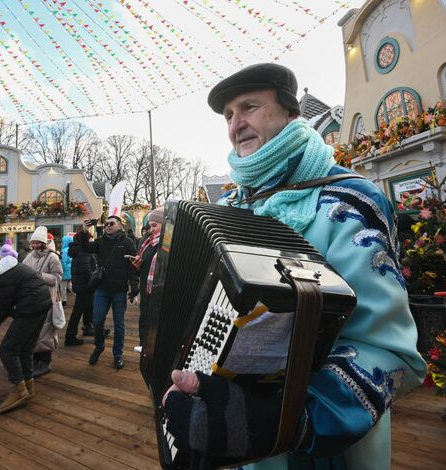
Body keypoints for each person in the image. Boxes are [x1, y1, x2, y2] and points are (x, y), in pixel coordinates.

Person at [162, 63, 426, 468]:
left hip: (313, 449)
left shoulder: (349, 202)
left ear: (291, 113)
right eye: (229, 115)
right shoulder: (227, 209)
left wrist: (289, 422)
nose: (236, 124)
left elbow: (387, 348)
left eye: (249, 107)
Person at [0, 241, 51, 414]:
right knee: (25, 348)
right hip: (41, 304)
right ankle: (28, 385)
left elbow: (1, 309)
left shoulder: (4, 277)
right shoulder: (14, 268)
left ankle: (18, 390)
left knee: (8, 349)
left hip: (30, 307)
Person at [78, 216, 138, 370]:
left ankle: (118, 354)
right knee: (97, 321)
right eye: (106, 224)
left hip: (119, 290)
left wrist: (134, 288)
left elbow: (133, 267)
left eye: (111, 223)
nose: (108, 226)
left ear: (120, 225)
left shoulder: (128, 243)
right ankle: (99, 347)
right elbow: (85, 248)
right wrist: (84, 231)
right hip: (102, 289)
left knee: (119, 324)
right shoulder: (100, 241)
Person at [23, 227, 65, 377]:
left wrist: (39, 276)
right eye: (32, 242)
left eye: (36, 242)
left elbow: (58, 277)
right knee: (33, 331)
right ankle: (35, 361)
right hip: (31, 299)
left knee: (46, 330)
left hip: (47, 298)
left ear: (42, 242)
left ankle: (45, 362)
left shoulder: (52, 257)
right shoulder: (29, 257)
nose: (34, 245)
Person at [129, 207, 163, 353]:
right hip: (146, 288)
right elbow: (144, 263)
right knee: (145, 316)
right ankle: (144, 345)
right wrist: (137, 263)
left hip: (160, 290)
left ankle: (153, 348)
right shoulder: (147, 242)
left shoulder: (167, 244)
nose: (150, 229)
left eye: (154, 225)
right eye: (149, 226)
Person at [64, 227, 97, 346]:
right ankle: (70, 336)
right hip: (85, 286)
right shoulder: (84, 251)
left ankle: (88, 327)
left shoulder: (77, 250)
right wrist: (95, 280)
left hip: (80, 285)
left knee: (87, 308)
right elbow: (86, 270)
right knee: (77, 312)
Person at [59, 235, 73, 308]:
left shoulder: (64, 251)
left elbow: (63, 262)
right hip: (71, 270)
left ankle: (63, 300)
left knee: (63, 287)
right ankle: (79, 295)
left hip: (65, 271)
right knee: (70, 285)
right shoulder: (71, 249)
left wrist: (61, 270)